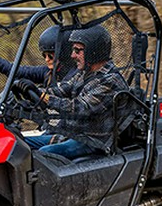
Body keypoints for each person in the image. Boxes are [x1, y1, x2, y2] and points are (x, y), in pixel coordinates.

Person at [35, 25, 128, 161]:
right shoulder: (84, 72)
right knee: (23, 143)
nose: (73, 55)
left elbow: (80, 108)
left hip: (91, 141)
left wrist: (46, 98)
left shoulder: (110, 81)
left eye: (78, 51)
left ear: (94, 51)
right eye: (73, 50)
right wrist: (34, 91)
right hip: (73, 134)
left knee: (43, 154)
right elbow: (62, 90)